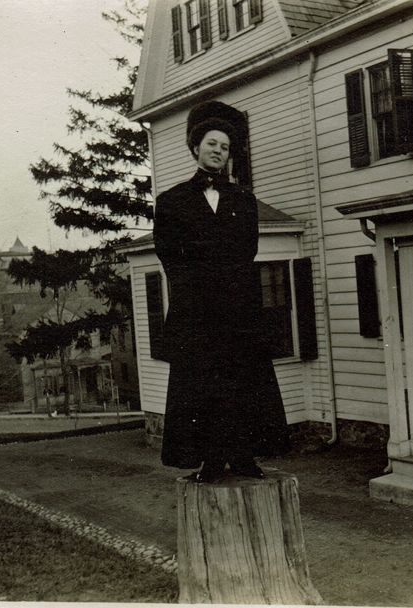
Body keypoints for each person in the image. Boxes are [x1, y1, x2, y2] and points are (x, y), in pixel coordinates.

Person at [152, 100, 290, 483]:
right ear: (196, 147)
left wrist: (230, 296)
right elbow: (171, 259)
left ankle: (244, 458)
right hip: (196, 314)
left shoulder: (244, 201)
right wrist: (202, 294)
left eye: (225, 147)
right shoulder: (171, 202)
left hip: (239, 313)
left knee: (242, 386)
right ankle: (210, 462)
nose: (218, 151)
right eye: (212, 144)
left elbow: (247, 252)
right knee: (203, 389)